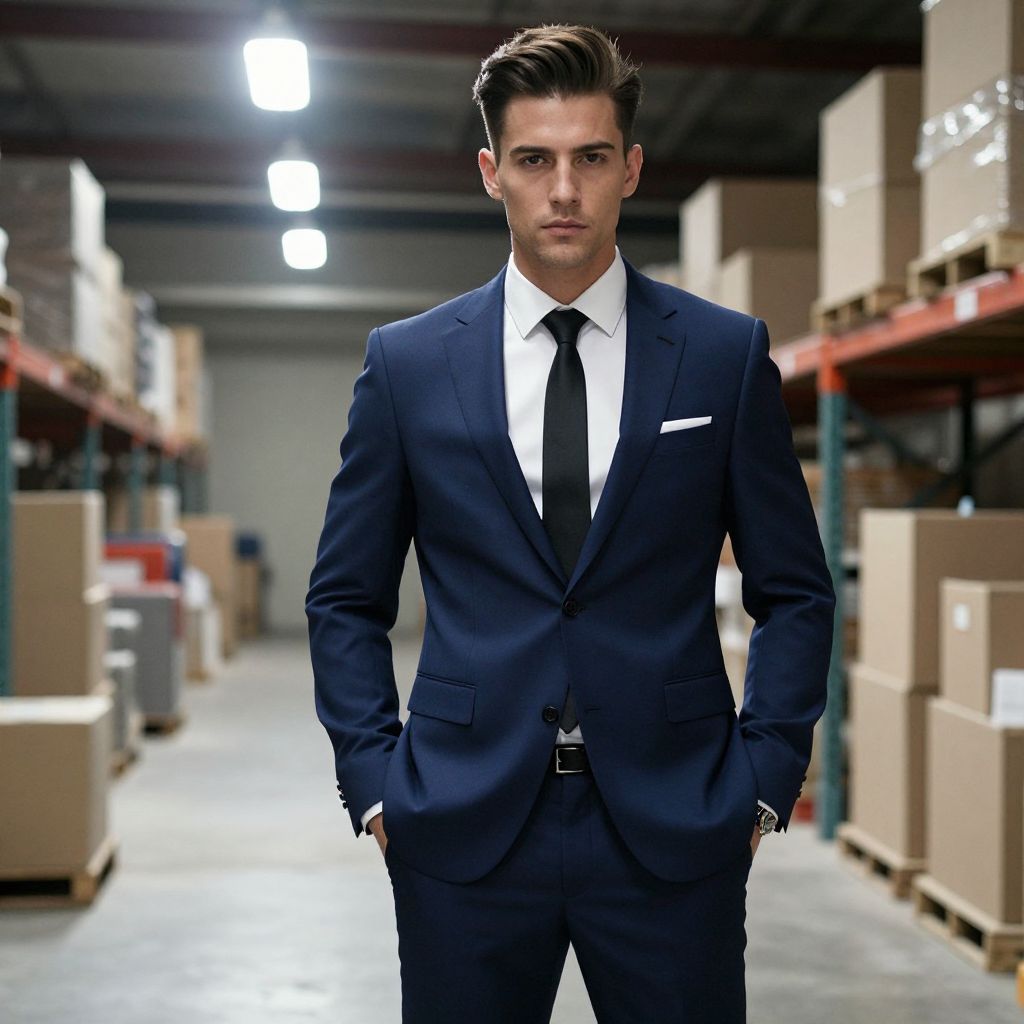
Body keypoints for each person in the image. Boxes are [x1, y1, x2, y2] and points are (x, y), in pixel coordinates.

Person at [306, 22, 836, 1024]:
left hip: (676, 819)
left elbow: (795, 590)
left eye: (590, 158)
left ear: (630, 169)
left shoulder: (722, 357)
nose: (562, 189)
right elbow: (344, 596)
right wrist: (376, 784)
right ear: (489, 172)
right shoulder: (408, 365)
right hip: (462, 823)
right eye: (534, 160)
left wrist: (763, 780)